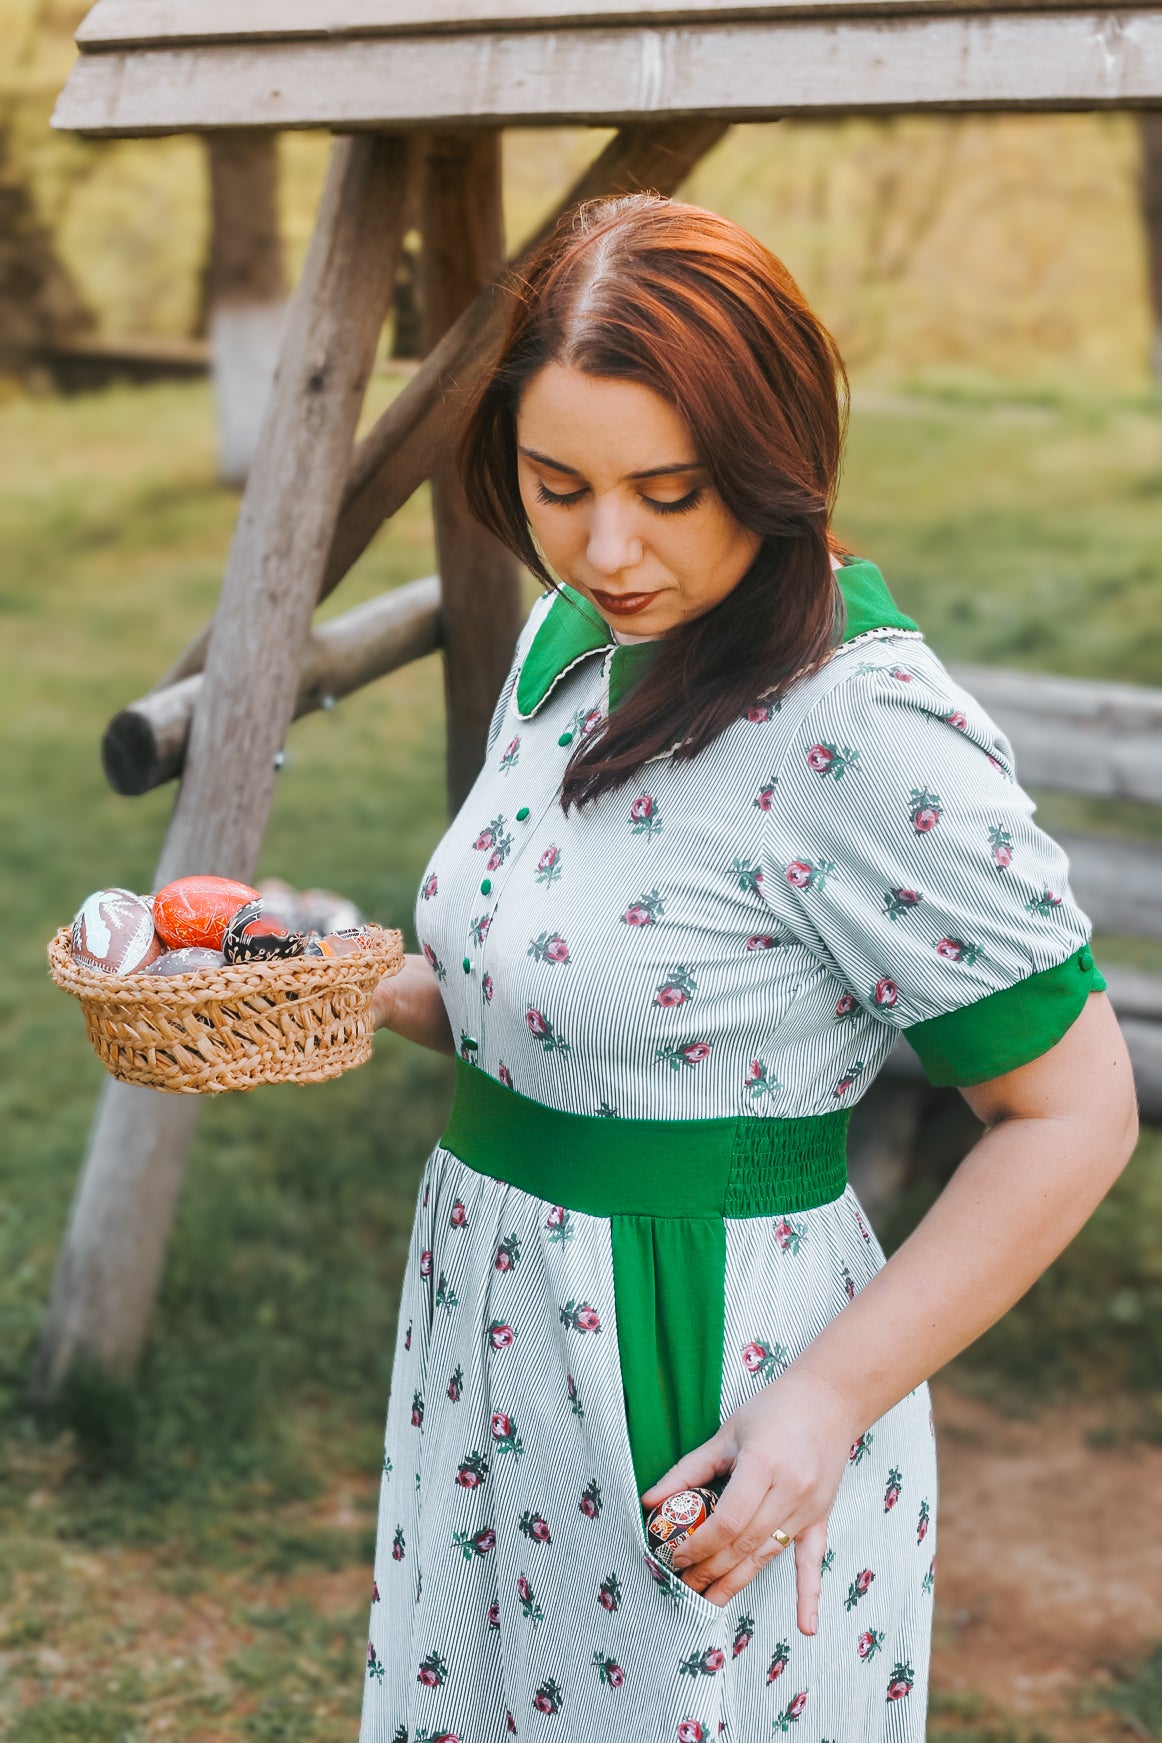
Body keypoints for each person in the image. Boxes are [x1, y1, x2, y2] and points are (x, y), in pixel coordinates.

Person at [359, 195, 1137, 1743]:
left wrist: (825, 1398)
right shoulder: (565, 641)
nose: (606, 546)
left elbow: (1076, 1111)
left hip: (699, 1374)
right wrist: (370, 986)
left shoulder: (857, 725)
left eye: (670, 490)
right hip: (486, 1334)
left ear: (775, 465)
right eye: (555, 485)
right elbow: (603, 1021)